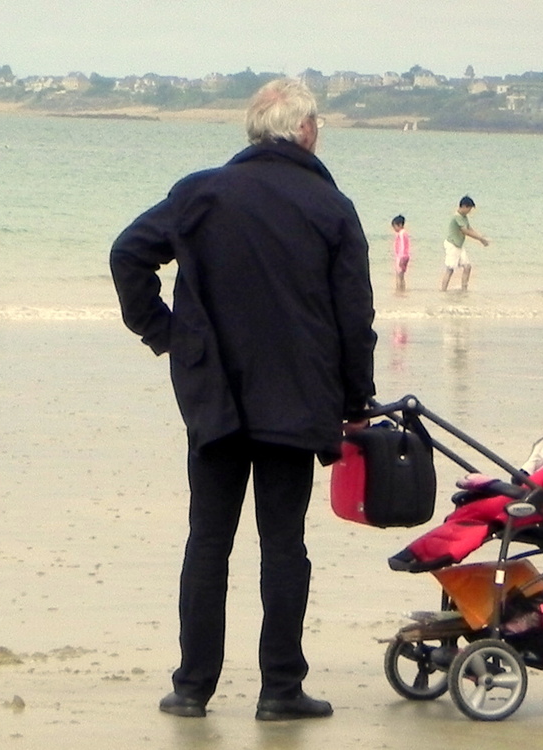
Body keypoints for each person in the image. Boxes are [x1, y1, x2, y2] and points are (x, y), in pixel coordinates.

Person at [109, 78, 377, 722]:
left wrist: (168, 335)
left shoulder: (201, 191)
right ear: (306, 130)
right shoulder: (331, 204)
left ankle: (192, 688)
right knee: (283, 544)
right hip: (297, 399)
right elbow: (354, 317)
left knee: (209, 541)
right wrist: (356, 399)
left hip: (215, 398)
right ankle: (280, 690)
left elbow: (128, 256)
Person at [441, 195, 489, 291]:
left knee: (467, 267)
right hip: (452, 245)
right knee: (450, 269)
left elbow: (469, 228)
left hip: (459, 246)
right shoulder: (457, 217)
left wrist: (480, 237)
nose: (469, 211)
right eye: (469, 209)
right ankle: (443, 290)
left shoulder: (464, 217)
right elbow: (465, 231)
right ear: (463, 206)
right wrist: (480, 239)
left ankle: (464, 289)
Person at [391, 214, 410, 292]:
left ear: (400, 225)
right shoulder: (405, 233)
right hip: (405, 256)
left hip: (401, 256)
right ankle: (402, 290)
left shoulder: (401, 234)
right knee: (401, 276)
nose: (394, 229)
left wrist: (401, 257)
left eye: (395, 226)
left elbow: (402, 245)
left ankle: (399, 290)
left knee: (398, 275)